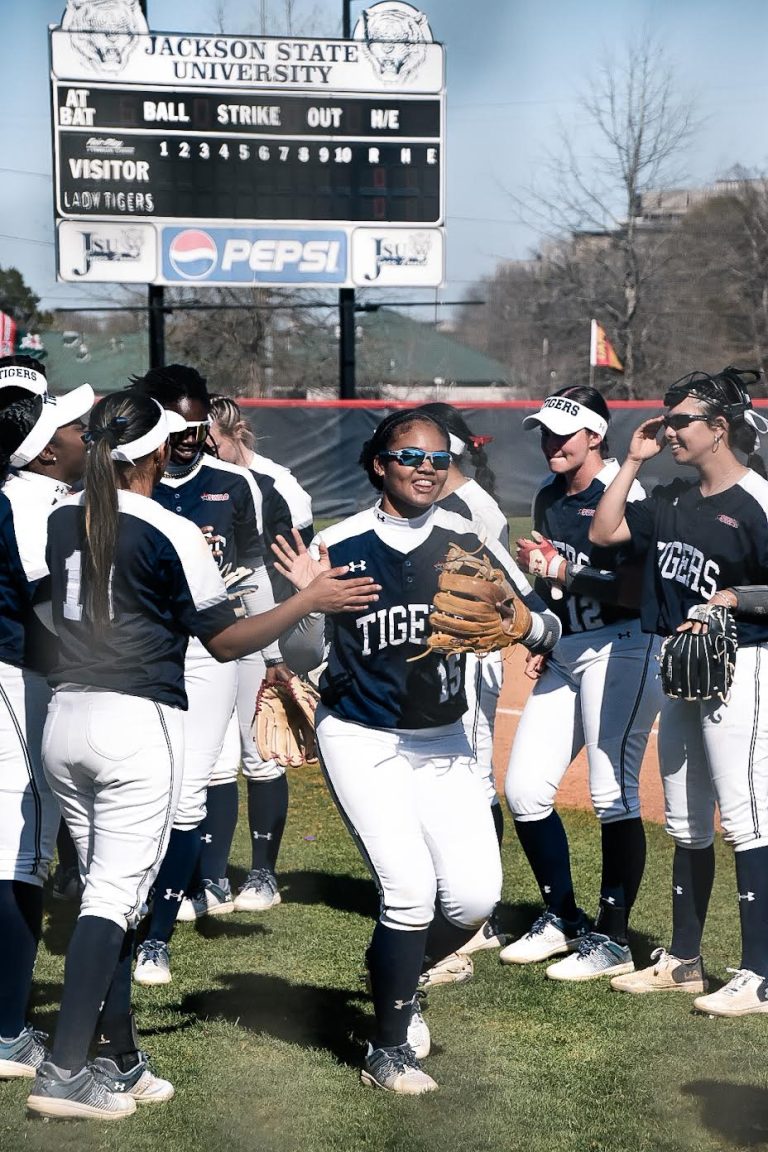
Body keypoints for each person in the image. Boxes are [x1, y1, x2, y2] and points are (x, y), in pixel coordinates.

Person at [25, 389, 379, 1120]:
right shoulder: (167, 526)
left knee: (102, 896)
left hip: (63, 719)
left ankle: (117, 1057)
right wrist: (308, 600)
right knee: (114, 900)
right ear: (156, 453)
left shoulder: (63, 513)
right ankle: (64, 1071)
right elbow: (225, 640)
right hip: (134, 722)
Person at [271, 408, 561, 1095]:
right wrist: (308, 600)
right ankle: (388, 1046)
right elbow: (301, 654)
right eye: (410, 458)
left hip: (445, 739)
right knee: (407, 892)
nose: (426, 470)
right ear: (380, 465)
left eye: (438, 459)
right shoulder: (340, 542)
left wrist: (522, 619)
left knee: (473, 898)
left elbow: (544, 627)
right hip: (362, 734)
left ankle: (396, 980)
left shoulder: (468, 537)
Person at [590, 366, 768, 1014]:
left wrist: (733, 595)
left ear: (719, 429)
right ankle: (684, 961)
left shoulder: (757, 501)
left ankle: (760, 975)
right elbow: (605, 533)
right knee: (687, 818)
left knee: (747, 818)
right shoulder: (672, 497)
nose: (667, 431)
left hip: (745, 668)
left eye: (679, 422)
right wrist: (631, 461)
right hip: (680, 665)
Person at [127, 366, 291, 983]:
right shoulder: (127, 482)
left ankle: (155, 937)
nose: (191, 436)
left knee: (190, 784)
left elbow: (252, 574)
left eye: (199, 425)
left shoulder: (233, 484)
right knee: (141, 781)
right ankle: (124, 896)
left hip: (207, 650)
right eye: (179, 425)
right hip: (137, 649)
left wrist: (271, 658)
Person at [500, 386, 663, 981]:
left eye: (562, 433)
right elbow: (555, 585)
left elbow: (637, 591)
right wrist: (547, 627)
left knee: (610, 792)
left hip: (625, 647)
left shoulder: (627, 493)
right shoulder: (549, 495)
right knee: (523, 790)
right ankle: (562, 916)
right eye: (543, 432)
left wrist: (563, 570)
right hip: (570, 650)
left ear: (595, 435)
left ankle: (614, 937)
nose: (550, 443)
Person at [180, 393, 315, 917]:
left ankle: (262, 871)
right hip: (203, 636)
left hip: (255, 626)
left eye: (211, 440)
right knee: (213, 758)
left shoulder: (266, 484)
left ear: (235, 436)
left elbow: (280, 560)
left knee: (258, 750)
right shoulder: (181, 483)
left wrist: (280, 647)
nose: (202, 449)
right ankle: (210, 879)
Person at [0, 369, 94, 1082]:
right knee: (22, 856)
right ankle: (7, 1033)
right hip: (17, 680)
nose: (80, 432)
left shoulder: (37, 495)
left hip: (15, 675)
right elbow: (45, 605)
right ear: (42, 452)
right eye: (67, 426)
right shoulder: (32, 507)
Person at [415, 402, 510, 982]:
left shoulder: (470, 507)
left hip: (472, 652)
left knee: (474, 777)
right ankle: (466, 906)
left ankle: (481, 916)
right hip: (452, 651)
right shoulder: (453, 500)